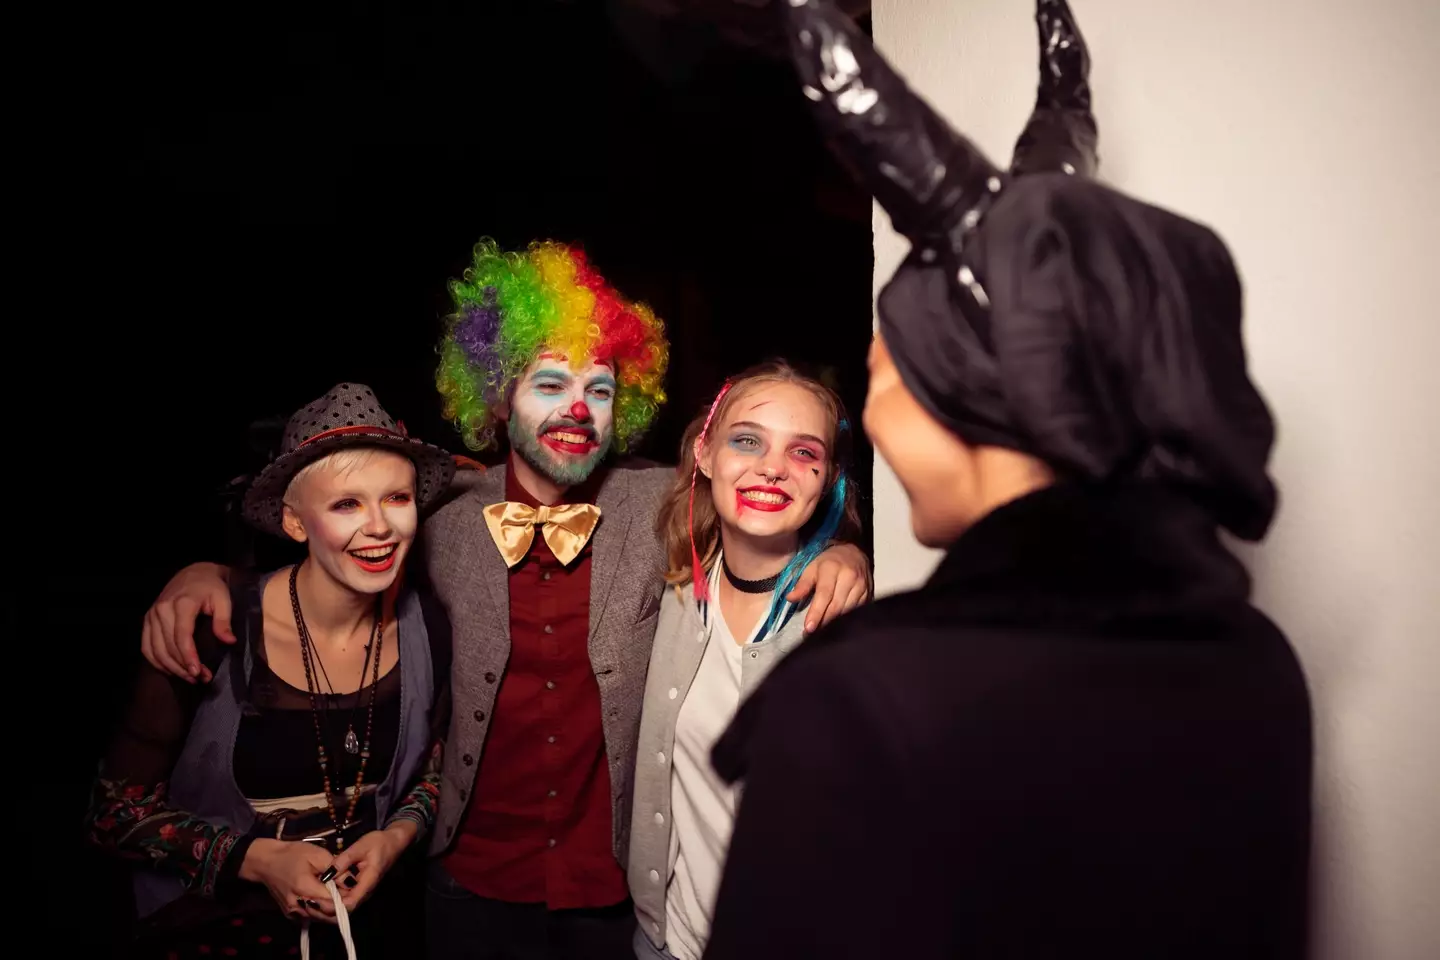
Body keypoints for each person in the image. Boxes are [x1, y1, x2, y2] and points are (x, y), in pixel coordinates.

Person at [702, 2, 1312, 959]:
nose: (874, 410)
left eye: (886, 369)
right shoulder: (1260, 659)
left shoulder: (863, 704)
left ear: (959, 387)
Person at [137, 240, 872, 960]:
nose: (579, 409)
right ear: (498, 395)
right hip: (467, 887)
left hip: (615, 893)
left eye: (602, 389)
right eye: (550, 384)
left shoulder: (662, 503)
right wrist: (208, 573)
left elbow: (772, 499)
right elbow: (327, 539)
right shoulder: (438, 518)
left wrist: (847, 550)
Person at [87, 383, 457, 959]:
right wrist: (254, 859)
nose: (380, 527)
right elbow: (111, 813)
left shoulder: (428, 627)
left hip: (367, 934)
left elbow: (436, 771)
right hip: (212, 934)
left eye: (397, 498)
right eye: (346, 504)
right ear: (293, 521)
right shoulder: (213, 631)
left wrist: (394, 837)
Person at [628, 361, 861, 960]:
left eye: (804, 452)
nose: (772, 467)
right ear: (704, 454)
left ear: (829, 478)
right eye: (747, 440)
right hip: (666, 943)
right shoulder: (677, 591)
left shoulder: (849, 623)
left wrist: (853, 556)